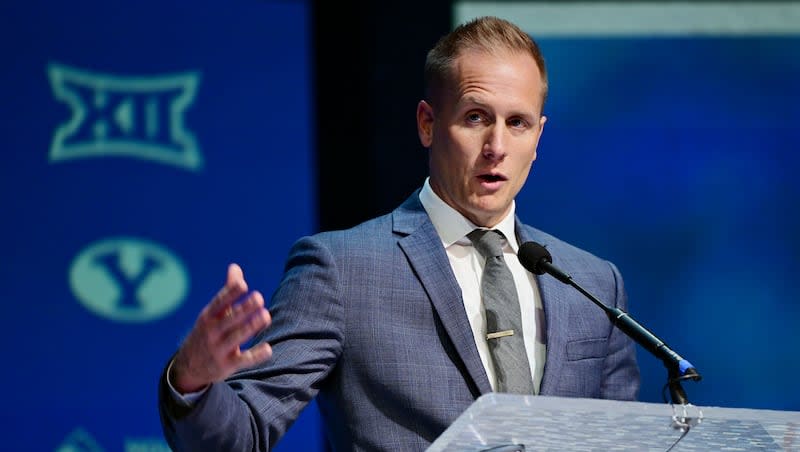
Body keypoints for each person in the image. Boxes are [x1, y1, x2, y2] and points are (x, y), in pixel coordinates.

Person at [158, 15, 640, 451]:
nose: (496, 146)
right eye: (476, 118)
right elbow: (240, 436)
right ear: (427, 124)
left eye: (518, 123)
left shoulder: (593, 284)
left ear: (538, 137)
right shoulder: (342, 270)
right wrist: (194, 382)